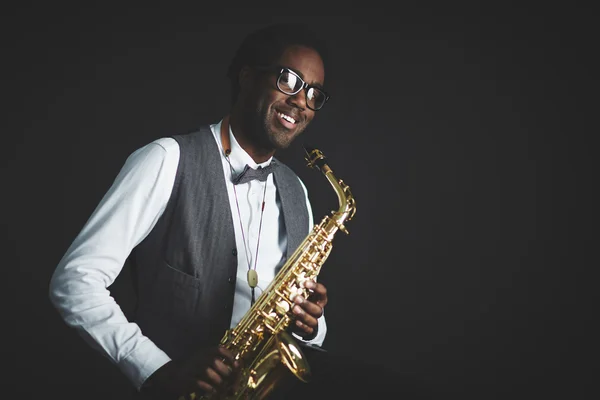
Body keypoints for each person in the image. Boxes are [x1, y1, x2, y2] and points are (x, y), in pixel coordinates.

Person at [49, 23, 332, 399]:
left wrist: (311, 324)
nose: (301, 101)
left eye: (313, 93)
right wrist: (157, 369)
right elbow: (74, 281)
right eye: (289, 80)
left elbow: (303, 321)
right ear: (248, 78)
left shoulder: (297, 192)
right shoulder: (167, 159)